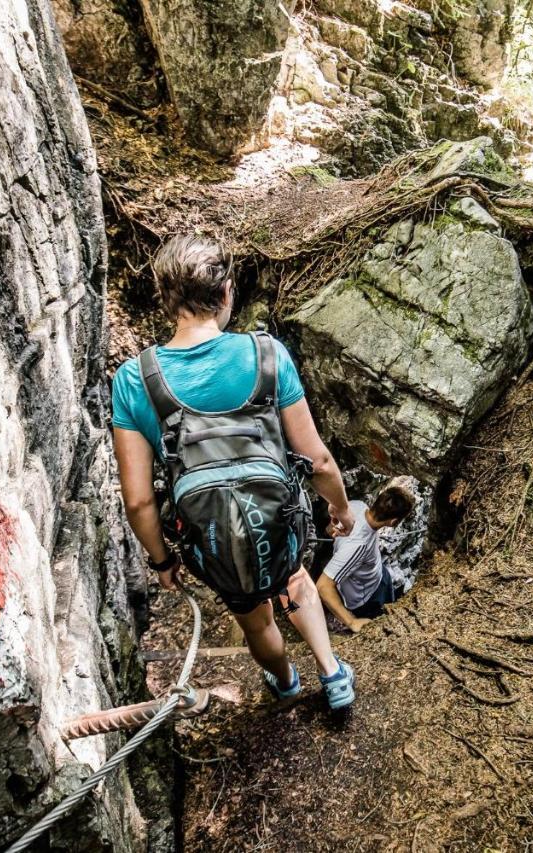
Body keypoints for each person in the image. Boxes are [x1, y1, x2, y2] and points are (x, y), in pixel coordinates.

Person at [110, 233, 358, 709]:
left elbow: (138, 499)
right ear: (226, 294)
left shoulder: (133, 380)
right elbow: (319, 460)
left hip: (211, 536)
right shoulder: (266, 355)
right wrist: (340, 508)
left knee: (255, 619)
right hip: (278, 514)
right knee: (296, 577)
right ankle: (333, 675)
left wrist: (163, 562)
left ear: (165, 300)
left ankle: (285, 680)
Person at [315, 478, 417, 633]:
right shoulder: (359, 546)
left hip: (380, 576)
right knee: (382, 621)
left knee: (390, 607)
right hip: (368, 597)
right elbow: (323, 586)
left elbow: (331, 529)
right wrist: (352, 621)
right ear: (393, 522)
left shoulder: (356, 506)